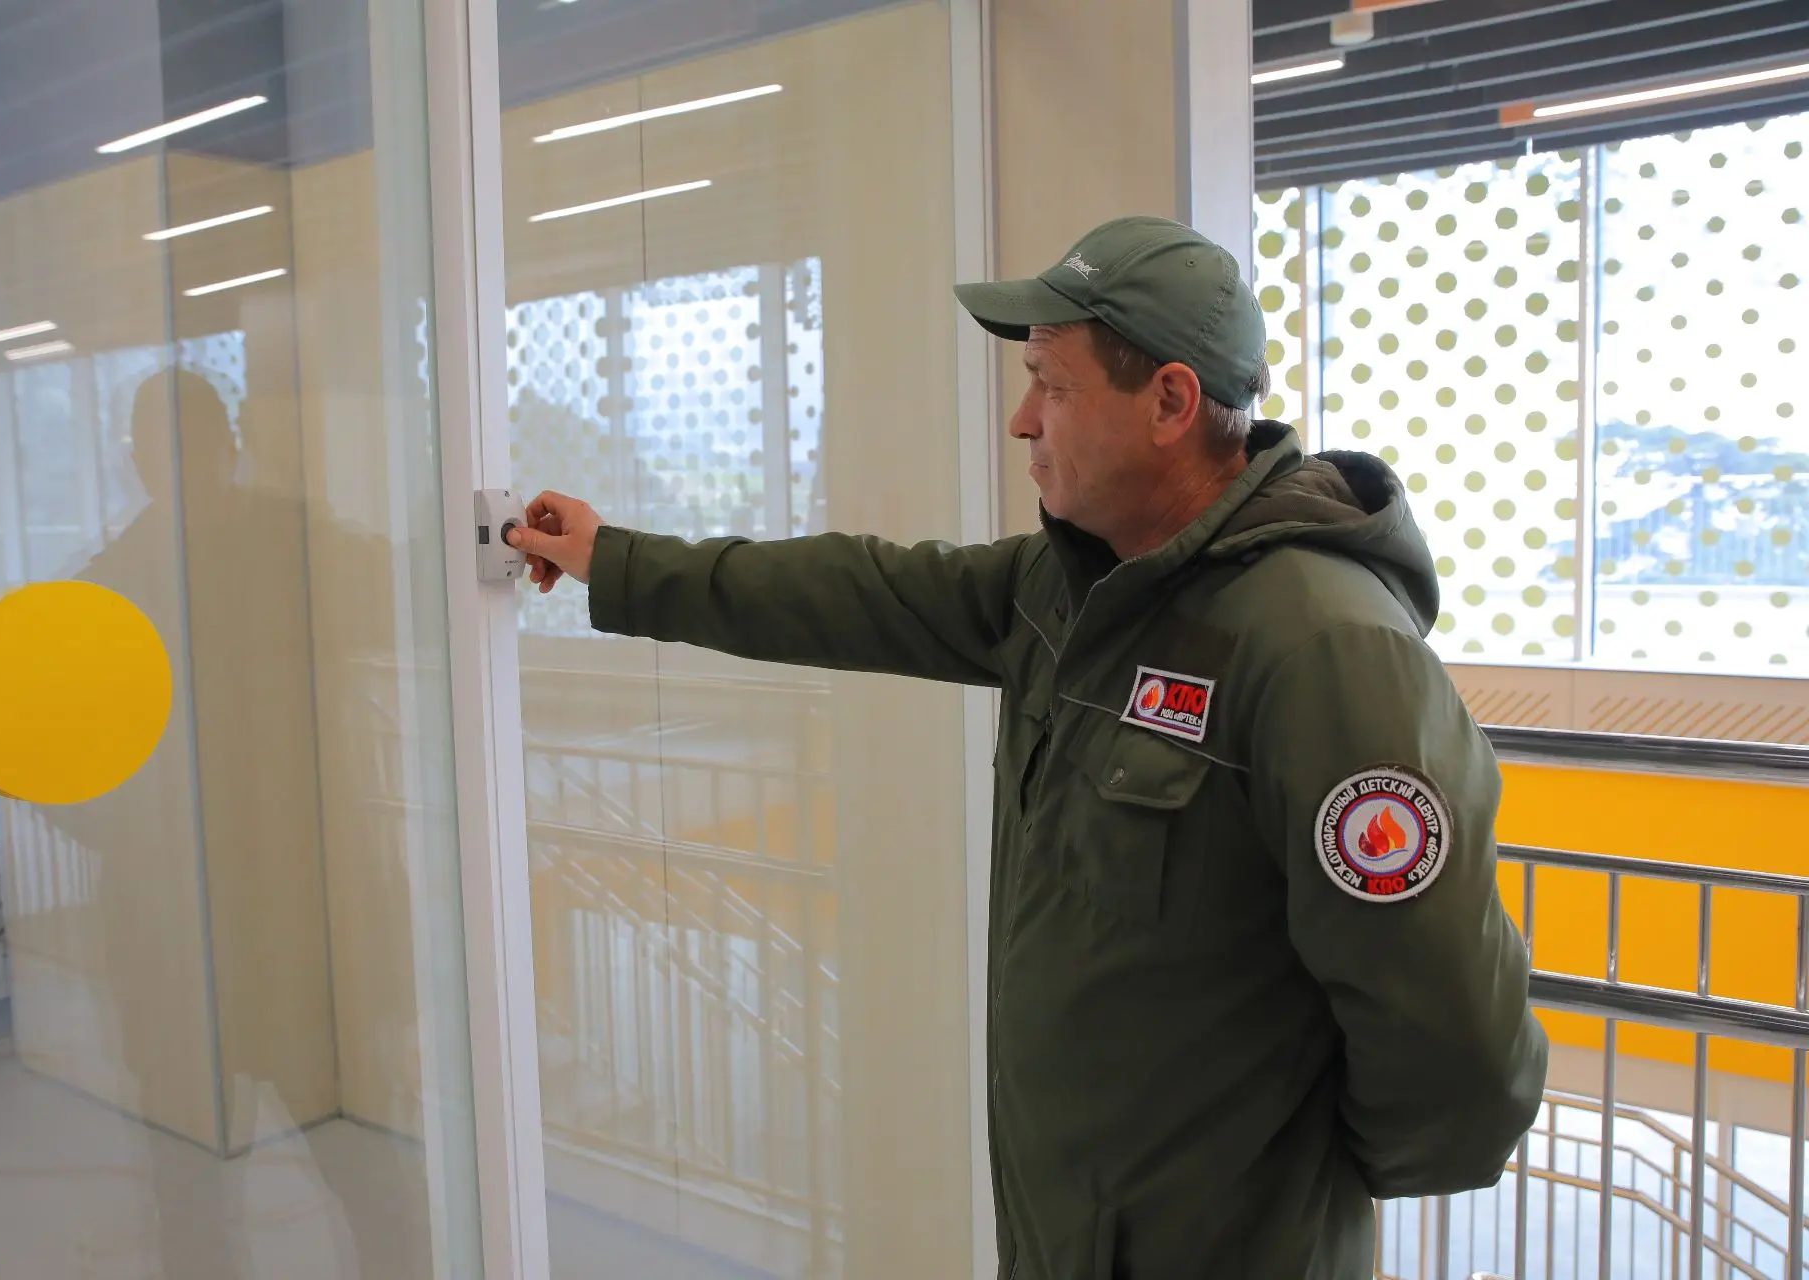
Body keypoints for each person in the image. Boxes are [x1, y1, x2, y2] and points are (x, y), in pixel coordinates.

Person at [508, 216, 1547, 1279]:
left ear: (1170, 403)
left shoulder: (1320, 646)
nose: (1022, 419)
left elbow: (1460, 1056)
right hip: (1063, 1236)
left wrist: (1287, 1184)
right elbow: (852, 589)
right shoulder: (1072, 589)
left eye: (1051, 384)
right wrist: (613, 559)